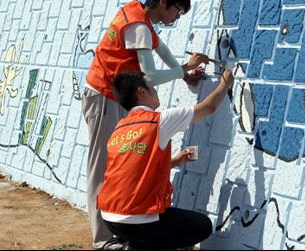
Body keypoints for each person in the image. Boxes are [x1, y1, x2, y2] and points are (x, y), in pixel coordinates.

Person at [82, 0, 210, 250]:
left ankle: (121, 230)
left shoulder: (139, 15)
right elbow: (150, 75)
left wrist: (183, 72)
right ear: (163, 2)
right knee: (101, 167)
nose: (178, 16)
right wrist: (183, 69)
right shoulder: (140, 26)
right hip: (104, 95)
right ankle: (104, 240)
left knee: (117, 164)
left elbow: (161, 51)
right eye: (178, 9)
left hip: (114, 96)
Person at [98, 69, 235, 250]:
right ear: (142, 92)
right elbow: (209, 107)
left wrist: (174, 162)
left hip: (108, 217)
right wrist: (225, 83)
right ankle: (136, 248)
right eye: (152, 87)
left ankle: (131, 244)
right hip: (137, 219)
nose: (156, 91)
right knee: (202, 227)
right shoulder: (159, 121)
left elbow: (135, 168)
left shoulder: (120, 128)